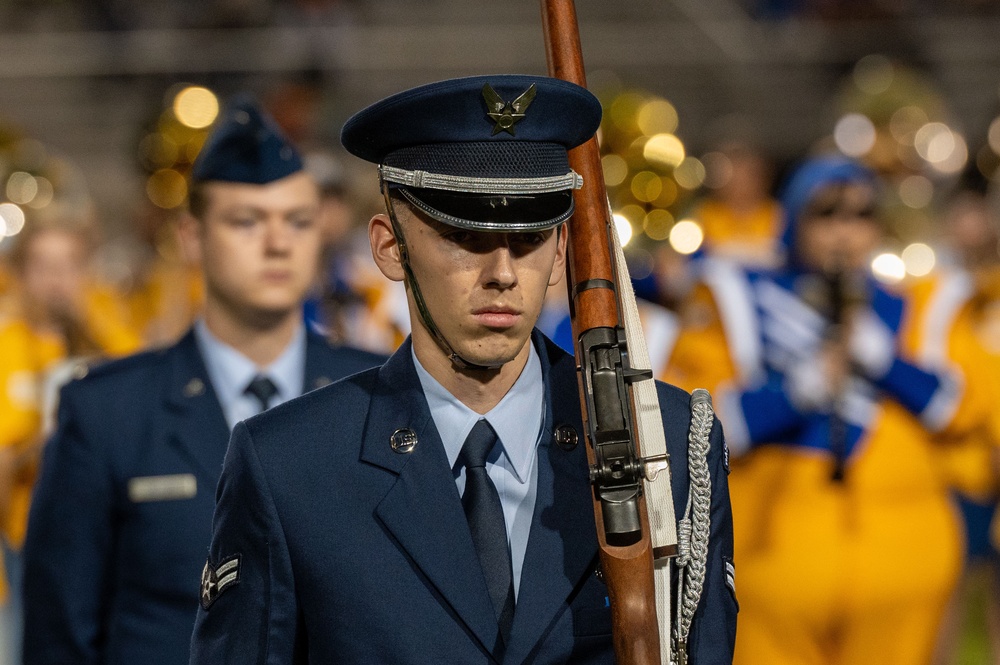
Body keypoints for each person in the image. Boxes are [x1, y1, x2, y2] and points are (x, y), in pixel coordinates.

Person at [188, 75, 738, 664]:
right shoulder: (291, 466)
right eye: (464, 237)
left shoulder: (665, 441)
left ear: (561, 250)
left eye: (527, 238)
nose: (502, 271)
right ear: (390, 247)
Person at [21, 96, 386, 665]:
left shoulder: (377, 389)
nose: (277, 243)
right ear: (191, 237)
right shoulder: (106, 412)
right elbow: (60, 635)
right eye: (246, 221)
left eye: (298, 220)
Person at [665, 155, 988, 665]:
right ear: (795, 219)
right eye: (826, 214)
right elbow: (695, 423)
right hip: (771, 563)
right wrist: (797, 391)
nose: (844, 231)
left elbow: (961, 409)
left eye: (861, 216)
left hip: (899, 565)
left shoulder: (919, 306)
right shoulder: (733, 298)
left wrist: (886, 361)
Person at [0, 212, 141, 665]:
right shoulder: (7, 345)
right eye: (43, 267)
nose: (56, 280)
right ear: (21, 274)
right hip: (30, 538)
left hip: (114, 534)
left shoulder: (113, 341)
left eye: (68, 265)